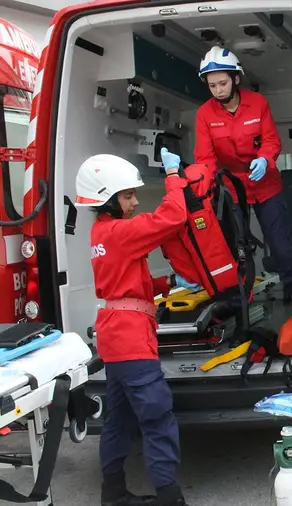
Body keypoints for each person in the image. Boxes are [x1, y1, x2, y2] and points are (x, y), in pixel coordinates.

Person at [75, 148, 195, 506]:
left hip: (115, 336)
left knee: (119, 418)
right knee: (157, 417)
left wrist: (170, 281)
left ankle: (112, 493)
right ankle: (169, 497)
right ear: (106, 199)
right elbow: (173, 217)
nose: (135, 201)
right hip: (130, 337)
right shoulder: (121, 232)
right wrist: (173, 175)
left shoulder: (101, 232)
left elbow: (123, 280)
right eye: (128, 196)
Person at [193, 46, 292, 310]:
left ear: (236, 79)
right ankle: (239, 302)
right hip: (232, 189)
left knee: (280, 245)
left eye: (222, 83)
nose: (218, 90)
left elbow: (271, 140)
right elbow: (205, 158)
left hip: (266, 185)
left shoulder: (257, 103)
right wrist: (205, 187)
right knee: (235, 248)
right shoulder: (204, 115)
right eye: (212, 85)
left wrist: (265, 160)